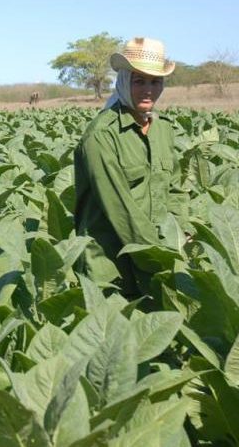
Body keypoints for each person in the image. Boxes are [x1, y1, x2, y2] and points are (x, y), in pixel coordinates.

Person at [74, 37, 181, 298]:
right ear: (123, 81)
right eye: (139, 81)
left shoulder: (163, 130)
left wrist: (181, 234)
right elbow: (120, 210)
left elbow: (176, 191)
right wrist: (159, 261)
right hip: (110, 269)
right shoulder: (101, 135)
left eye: (155, 82)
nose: (148, 90)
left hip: (158, 255)